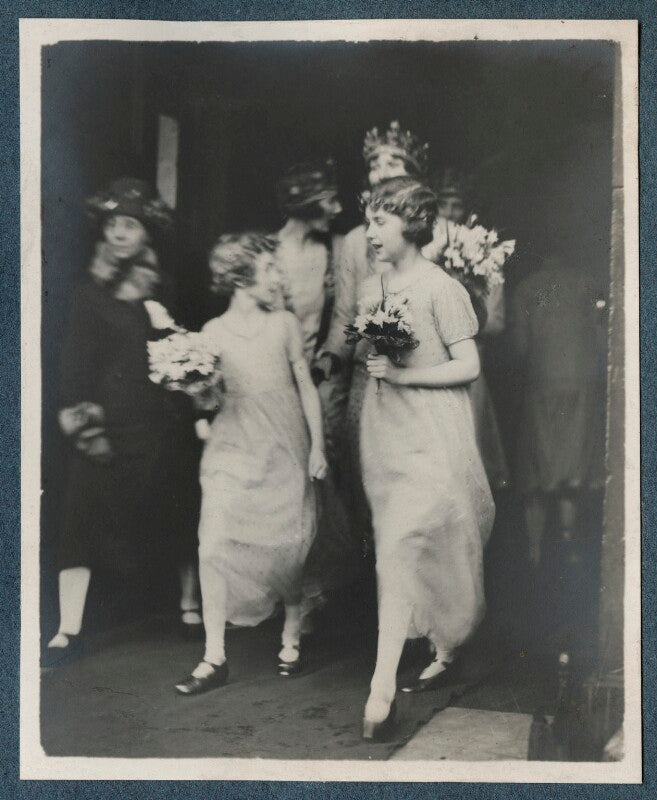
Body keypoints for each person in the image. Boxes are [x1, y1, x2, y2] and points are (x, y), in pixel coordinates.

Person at [43, 178, 202, 668]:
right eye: (112, 224)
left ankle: (190, 608)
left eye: (129, 225)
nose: (118, 233)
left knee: (179, 511)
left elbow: (183, 351)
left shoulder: (164, 289)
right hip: (108, 428)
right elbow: (73, 366)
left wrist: (187, 394)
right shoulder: (89, 295)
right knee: (81, 519)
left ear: (145, 233)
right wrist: (85, 423)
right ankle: (69, 630)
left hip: (158, 426)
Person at [357, 177, 495, 740]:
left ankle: (380, 688)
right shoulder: (375, 287)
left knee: (405, 547)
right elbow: (369, 349)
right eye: (368, 222)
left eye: (379, 222)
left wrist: (407, 373)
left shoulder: (442, 288)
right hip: (385, 429)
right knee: (398, 548)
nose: (369, 233)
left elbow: (468, 365)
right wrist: (376, 357)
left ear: (410, 225)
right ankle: (425, 651)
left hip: (433, 434)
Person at [174, 232, 328, 696]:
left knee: (288, 544)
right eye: (269, 271)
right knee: (213, 542)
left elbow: (305, 386)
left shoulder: (284, 324)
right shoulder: (212, 333)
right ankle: (213, 656)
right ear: (241, 279)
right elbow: (212, 397)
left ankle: (292, 630)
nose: (278, 278)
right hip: (232, 443)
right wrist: (197, 392)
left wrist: (318, 446)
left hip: (284, 440)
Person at [316, 121, 430, 548]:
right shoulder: (350, 241)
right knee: (365, 473)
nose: (382, 170)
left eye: (394, 161)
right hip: (369, 376)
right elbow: (345, 313)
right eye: (374, 163)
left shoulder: (434, 238)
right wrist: (329, 359)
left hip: (419, 374)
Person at [273, 161, 357, 628]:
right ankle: (285, 592)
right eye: (329, 200)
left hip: (317, 383)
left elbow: (342, 315)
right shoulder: (270, 252)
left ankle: (309, 596)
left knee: (320, 483)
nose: (338, 208)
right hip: (276, 382)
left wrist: (325, 364)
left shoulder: (332, 250)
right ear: (306, 204)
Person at [511, 252, 605, 567]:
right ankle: (568, 540)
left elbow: (519, 349)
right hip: (580, 383)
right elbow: (601, 336)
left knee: (537, 467)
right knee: (572, 464)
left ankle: (534, 550)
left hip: (541, 384)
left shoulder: (525, 289)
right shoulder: (586, 284)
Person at [423, 167, 510, 489]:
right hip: (425, 363)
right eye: (441, 207)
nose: (447, 217)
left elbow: (497, 321)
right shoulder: (421, 252)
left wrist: (465, 307)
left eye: (455, 207)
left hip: (468, 366)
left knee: (464, 453)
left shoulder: (485, 256)